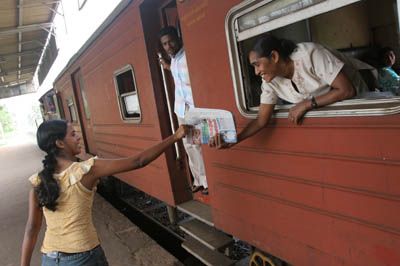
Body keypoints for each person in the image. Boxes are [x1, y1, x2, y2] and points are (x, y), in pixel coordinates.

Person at [21, 119, 189, 266]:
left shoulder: (38, 182)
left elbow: (32, 229)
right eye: (72, 134)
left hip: (49, 259)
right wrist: (175, 137)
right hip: (83, 257)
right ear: (60, 143)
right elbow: (138, 161)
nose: (78, 136)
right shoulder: (86, 170)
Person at [209, 34, 368, 148]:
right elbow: (261, 120)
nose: (256, 72)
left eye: (257, 64)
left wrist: (307, 104)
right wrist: (233, 139)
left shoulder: (310, 54)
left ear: (274, 56)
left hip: (362, 102)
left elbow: (346, 90)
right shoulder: (270, 81)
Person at [158, 26, 209, 195]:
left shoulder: (189, 55)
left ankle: (208, 181)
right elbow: (176, 72)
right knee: (189, 145)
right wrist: (166, 66)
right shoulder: (173, 60)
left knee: (201, 143)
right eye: (165, 44)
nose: (169, 46)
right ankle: (199, 180)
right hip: (181, 109)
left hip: (196, 108)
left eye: (170, 41)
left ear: (178, 37)